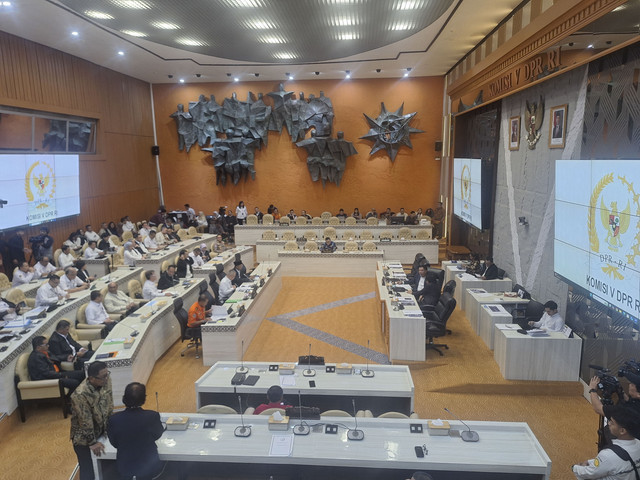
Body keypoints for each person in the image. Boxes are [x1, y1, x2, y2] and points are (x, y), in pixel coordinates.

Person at [107, 382, 164, 480]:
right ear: (144, 399)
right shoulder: (152, 416)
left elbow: (114, 443)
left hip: (124, 467)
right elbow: (158, 434)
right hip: (150, 468)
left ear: (124, 398)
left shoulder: (113, 419)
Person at [572, 404, 640, 480]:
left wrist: (575, 468)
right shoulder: (638, 443)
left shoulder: (608, 454)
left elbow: (590, 473)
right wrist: (590, 462)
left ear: (622, 431)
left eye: (612, 423)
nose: (609, 423)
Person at [70, 361, 113, 480]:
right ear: (91, 378)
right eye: (103, 376)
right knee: (88, 471)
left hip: (101, 433)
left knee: (105, 467)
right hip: (84, 439)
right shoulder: (80, 395)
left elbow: (109, 403)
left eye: (107, 374)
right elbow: (85, 420)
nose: (107, 378)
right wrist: (92, 442)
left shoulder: (105, 380)